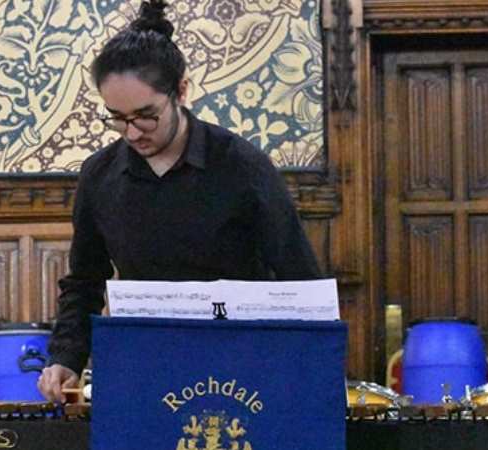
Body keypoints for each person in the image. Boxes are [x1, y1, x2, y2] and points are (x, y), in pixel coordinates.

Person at [37, 0, 321, 402]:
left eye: (145, 115)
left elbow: (299, 278)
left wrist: (308, 372)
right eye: (116, 118)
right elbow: (85, 280)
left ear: (181, 92)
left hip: (242, 367)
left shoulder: (243, 167)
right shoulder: (100, 176)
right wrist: (66, 356)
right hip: (145, 364)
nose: (132, 132)